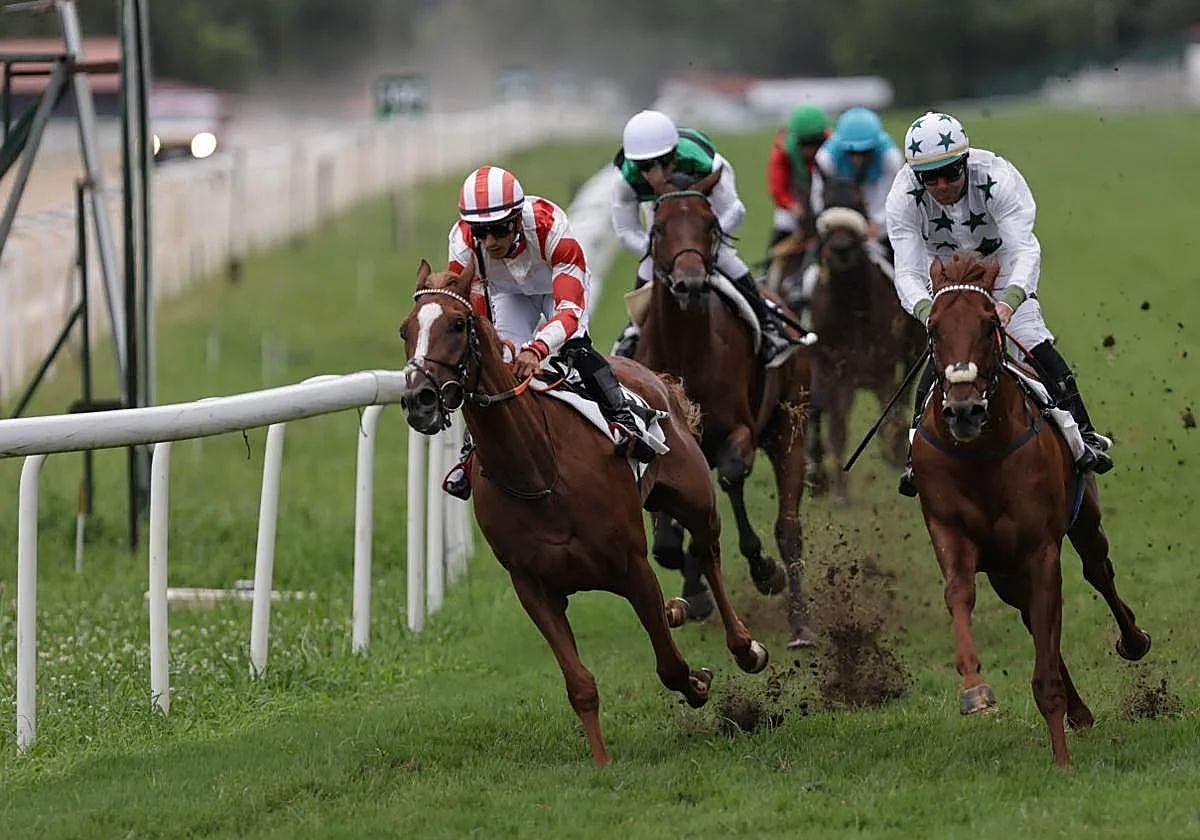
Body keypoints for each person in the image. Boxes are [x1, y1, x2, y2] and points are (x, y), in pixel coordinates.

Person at [885, 111, 1113, 497]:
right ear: (916, 176)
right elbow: (906, 271)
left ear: (966, 160)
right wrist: (928, 314)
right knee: (939, 357)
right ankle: (914, 456)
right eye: (930, 177)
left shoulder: (997, 178)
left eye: (950, 172)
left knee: (1033, 341)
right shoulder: (902, 196)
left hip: (1002, 272)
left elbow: (1024, 249)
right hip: (943, 281)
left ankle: (1083, 433)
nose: (941, 185)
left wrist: (1008, 304)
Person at [442, 165, 657, 500]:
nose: (489, 241)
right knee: (494, 364)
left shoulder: (549, 224)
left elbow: (569, 312)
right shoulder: (462, 243)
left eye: (498, 230)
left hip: (555, 286)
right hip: (507, 292)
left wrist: (538, 348)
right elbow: (477, 318)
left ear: (516, 217)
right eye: (480, 232)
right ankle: (471, 451)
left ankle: (624, 420)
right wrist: (500, 350)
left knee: (574, 346)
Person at [610, 109, 796, 367]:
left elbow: (734, 210)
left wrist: (702, 241)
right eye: (645, 167)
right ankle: (632, 333)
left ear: (675, 154)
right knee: (647, 269)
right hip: (663, 220)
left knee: (730, 261)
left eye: (663, 162)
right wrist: (661, 248)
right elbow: (626, 232)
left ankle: (767, 327)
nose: (657, 174)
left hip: (706, 212)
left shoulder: (706, 163)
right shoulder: (624, 180)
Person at [812, 107, 903, 244]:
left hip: (876, 191)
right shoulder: (825, 159)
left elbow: (894, 197)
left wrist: (877, 223)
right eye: (851, 152)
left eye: (865, 152)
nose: (858, 159)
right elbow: (818, 198)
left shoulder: (891, 158)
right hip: (843, 196)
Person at [767, 104, 830, 246]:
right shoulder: (782, 152)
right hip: (795, 205)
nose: (811, 150)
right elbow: (778, 189)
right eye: (805, 143)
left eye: (816, 142)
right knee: (778, 241)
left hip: (827, 203)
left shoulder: (833, 147)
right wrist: (793, 207)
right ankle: (772, 267)